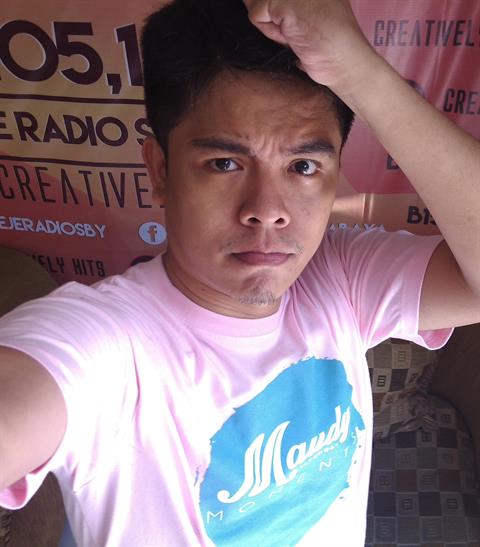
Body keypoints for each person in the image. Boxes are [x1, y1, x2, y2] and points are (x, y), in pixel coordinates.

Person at [1, 0, 479, 545]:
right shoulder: (108, 345)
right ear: (160, 171)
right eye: (225, 163)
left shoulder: (342, 278)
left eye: (303, 166)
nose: (267, 210)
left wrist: (361, 73)